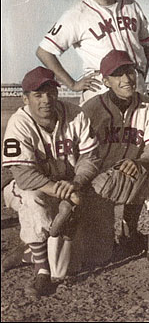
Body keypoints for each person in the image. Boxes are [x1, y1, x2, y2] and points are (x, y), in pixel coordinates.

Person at [1, 67, 100, 298]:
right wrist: (63, 192)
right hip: (29, 188)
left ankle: (28, 253)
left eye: (50, 93)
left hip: (70, 187)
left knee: (74, 265)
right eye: (38, 95)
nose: (46, 100)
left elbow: (91, 158)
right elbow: (24, 176)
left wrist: (76, 183)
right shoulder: (19, 123)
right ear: (25, 98)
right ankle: (40, 271)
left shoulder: (76, 114)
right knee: (31, 199)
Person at [82, 50, 149, 264]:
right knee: (102, 254)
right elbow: (80, 154)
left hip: (134, 174)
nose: (126, 79)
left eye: (129, 71)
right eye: (118, 74)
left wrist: (139, 162)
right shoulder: (91, 109)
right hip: (98, 181)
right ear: (106, 80)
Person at [36, 0, 149, 105]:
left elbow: (146, 45)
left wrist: (142, 72)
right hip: (100, 89)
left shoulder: (131, 5)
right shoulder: (76, 15)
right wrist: (72, 84)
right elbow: (44, 51)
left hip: (134, 84)